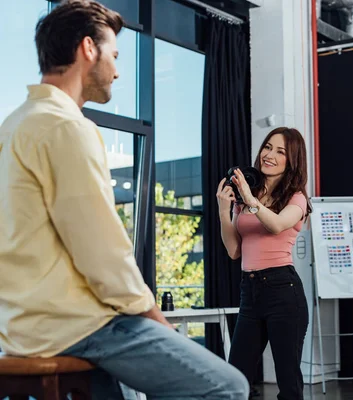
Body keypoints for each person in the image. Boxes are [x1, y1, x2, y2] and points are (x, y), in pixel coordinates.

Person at [0, 1, 248, 399]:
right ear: (88, 49)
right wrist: (153, 316)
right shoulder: (66, 128)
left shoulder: (12, 126)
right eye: (114, 55)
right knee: (228, 386)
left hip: (20, 327)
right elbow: (101, 250)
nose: (117, 70)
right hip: (76, 326)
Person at [217, 127, 311, 400]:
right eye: (268, 147)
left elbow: (278, 225)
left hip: (283, 290)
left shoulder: (296, 198)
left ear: (291, 160)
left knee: (289, 383)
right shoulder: (245, 200)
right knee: (236, 377)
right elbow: (235, 251)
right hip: (250, 291)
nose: (269, 155)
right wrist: (225, 210)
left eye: (280, 151)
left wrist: (250, 199)